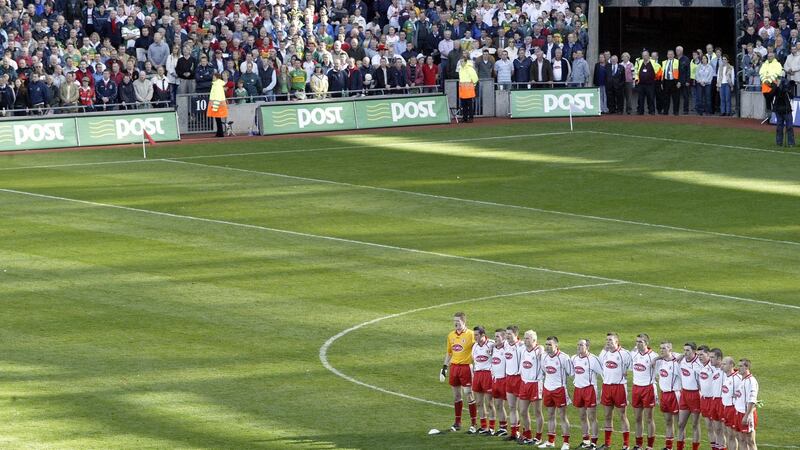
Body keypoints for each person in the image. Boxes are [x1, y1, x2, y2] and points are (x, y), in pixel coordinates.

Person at [441, 312, 477, 433]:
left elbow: (478, 349)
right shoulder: (451, 335)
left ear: (464, 322)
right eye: (454, 321)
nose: (456, 323)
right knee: (456, 396)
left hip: (466, 367)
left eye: (458, 321)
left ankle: (473, 424)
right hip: (454, 368)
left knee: (468, 394)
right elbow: (449, 352)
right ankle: (457, 423)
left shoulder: (471, 334)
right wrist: (445, 367)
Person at [598, 332, 632, 450]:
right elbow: (601, 367)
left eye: (610, 340)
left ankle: (626, 444)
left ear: (617, 342)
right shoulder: (603, 353)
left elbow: (634, 365)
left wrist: (626, 371)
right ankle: (607, 444)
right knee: (607, 416)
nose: (608, 342)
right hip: (607, 386)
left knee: (622, 416)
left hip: (619, 387)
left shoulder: (625, 354)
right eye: (607, 340)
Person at [539, 336, 573, 450]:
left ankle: (566, 443)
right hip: (547, 389)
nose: (547, 347)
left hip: (560, 390)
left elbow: (570, 372)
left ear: (556, 346)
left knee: (562, 416)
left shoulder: (563, 357)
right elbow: (544, 370)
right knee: (550, 415)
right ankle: (550, 441)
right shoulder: (543, 356)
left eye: (550, 345)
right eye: (546, 344)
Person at [571, 338, 603, 449]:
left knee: (592, 416)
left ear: (587, 347)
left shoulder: (594, 359)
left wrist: (601, 391)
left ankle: (594, 442)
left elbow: (603, 373)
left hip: (589, 390)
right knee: (582, 416)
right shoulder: (574, 358)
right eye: (578, 344)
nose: (579, 347)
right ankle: (586, 441)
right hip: (578, 389)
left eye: (581, 345)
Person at [630, 334, 657, 450]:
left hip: (648, 388)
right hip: (636, 388)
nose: (638, 343)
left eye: (640, 342)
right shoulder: (633, 354)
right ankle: (638, 444)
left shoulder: (653, 356)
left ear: (646, 343)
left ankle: (650, 446)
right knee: (637, 418)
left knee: (649, 418)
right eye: (637, 341)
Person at [517, 330, 544, 445]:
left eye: (527, 338)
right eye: (525, 337)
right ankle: (527, 435)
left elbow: (542, 348)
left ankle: (538, 437)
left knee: (537, 411)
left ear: (534, 340)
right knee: (522, 411)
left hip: (535, 383)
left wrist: (541, 348)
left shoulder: (539, 351)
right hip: (524, 383)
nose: (525, 340)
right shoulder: (522, 348)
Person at [655, 342, 682, 450]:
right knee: (668, 421)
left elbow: (683, 378)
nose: (661, 350)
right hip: (664, 394)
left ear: (670, 349)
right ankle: (669, 447)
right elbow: (658, 376)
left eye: (664, 348)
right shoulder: (660, 362)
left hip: (674, 394)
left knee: (679, 424)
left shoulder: (677, 362)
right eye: (660, 348)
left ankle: (680, 447)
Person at [677, 342, 703, 450]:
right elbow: (668, 354)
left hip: (695, 395)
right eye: (684, 350)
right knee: (680, 424)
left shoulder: (699, 363)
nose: (685, 352)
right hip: (684, 394)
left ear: (694, 351)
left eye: (688, 350)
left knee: (695, 425)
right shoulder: (682, 360)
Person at [470, 326, 494, 435]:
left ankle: (492, 427)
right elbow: (475, 361)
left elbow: (504, 344)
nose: (474, 337)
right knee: (479, 402)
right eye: (474, 335)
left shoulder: (491, 344)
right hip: (477, 374)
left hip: (488, 374)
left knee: (490, 403)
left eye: (476, 335)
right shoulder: (474, 346)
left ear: (483, 335)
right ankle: (483, 426)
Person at [503, 326, 525, 441]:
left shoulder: (521, 345)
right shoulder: (505, 344)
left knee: (522, 410)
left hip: (519, 379)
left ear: (516, 335)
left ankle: (525, 434)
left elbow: (535, 347)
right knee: (511, 407)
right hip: (509, 378)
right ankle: (514, 432)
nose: (507, 336)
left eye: (510, 334)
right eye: (506, 334)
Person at [735, 360, 758, 450]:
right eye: (738, 366)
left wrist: (747, 415)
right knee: (741, 439)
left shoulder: (751, 381)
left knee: (750, 441)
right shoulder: (742, 379)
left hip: (746, 414)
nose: (738, 368)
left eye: (741, 366)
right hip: (739, 412)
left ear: (747, 367)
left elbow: (752, 400)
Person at [490, 328, 509, 436]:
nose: (495, 338)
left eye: (497, 336)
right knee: (498, 405)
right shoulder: (493, 347)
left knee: (511, 406)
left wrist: (540, 347)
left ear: (504, 338)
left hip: (505, 380)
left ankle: (515, 430)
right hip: (495, 380)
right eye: (495, 336)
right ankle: (503, 428)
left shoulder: (507, 348)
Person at [720, 357, 741, 450]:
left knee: (733, 435)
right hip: (725, 407)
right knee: (727, 433)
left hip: (733, 408)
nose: (722, 366)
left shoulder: (738, 378)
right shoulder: (725, 375)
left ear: (731, 365)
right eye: (722, 363)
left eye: (724, 364)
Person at [773, 77, 795, 146]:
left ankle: (791, 143)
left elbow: (792, 96)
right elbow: (774, 94)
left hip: (787, 109)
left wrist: (788, 90)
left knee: (789, 127)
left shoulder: (787, 89)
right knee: (779, 127)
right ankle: (779, 142)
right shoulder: (776, 89)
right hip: (779, 109)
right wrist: (779, 88)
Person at [207, 72, 228, 138]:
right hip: (218, 104)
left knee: (218, 119)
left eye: (214, 77)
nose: (213, 78)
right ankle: (219, 132)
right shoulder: (217, 84)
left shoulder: (217, 85)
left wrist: (215, 106)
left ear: (216, 77)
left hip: (217, 104)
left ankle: (220, 133)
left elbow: (218, 96)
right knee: (218, 119)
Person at [636, 51, 657, 115]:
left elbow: (658, 71)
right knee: (640, 98)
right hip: (641, 84)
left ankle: (651, 111)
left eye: (645, 55)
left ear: (648, 56)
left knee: (651, 98)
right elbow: (636, 71)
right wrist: (636, 79)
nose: (644, 57)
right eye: (643, 55)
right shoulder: (639, 62)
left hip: (650, 84)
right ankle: (640, 111)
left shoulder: (653, 62)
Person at [458, 58, 478, 123]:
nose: (461, 63)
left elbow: (475, 78)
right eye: (460, 61)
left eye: (462, 61)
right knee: (464, 105)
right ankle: (465, 118)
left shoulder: (470, 68)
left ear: (466, 62)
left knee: (469, 105)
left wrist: (473, 85)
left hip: (468, 89)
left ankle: (471, 118)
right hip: (463, 89)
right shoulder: (460, 68)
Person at [662, 50, 680, 115]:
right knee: (666, 98)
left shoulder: (677, 62)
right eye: (668, 54)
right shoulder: (664, 62)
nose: (670, 55)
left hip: (674, 82)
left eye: (671, 54)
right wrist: (662, 82)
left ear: (673, 55)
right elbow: (662, 73)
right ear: (667, 55)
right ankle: (665, 111)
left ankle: (675, 111)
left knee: (675, 98)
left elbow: (680, 72)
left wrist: (679, 82)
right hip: (666, 82)